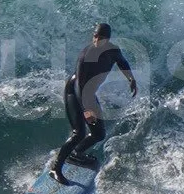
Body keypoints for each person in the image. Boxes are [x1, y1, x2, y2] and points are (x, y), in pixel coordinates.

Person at [53, 22, 138, 175]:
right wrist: (87, 110)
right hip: (75, 91)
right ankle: (56, 168)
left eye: (102, 38)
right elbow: (80, 87)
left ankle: (76, 154)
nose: (97, 40)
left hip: (89, 94)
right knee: (78, 133)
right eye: (95, 36)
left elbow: (122, 62)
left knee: (98, 134)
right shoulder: (86, 56)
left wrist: (131, 79)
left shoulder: (113, 50)